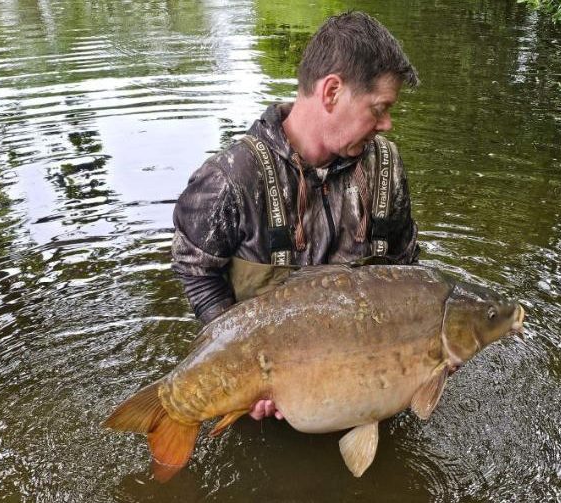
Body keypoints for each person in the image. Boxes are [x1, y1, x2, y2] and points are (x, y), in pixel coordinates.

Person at [171, 12, 420, 421]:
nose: (387, 124)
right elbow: (194, 270)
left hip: (369, 390)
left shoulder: (386, 168)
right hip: (271, 396)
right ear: (332, 92)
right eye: (379, 109)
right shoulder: (231, 179)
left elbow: (407, 265)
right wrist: (242, 365)